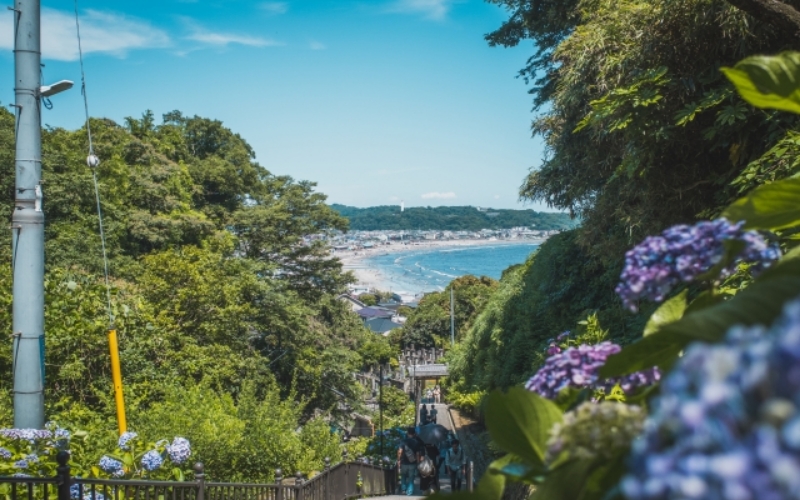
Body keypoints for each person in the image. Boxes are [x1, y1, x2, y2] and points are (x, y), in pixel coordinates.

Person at [397, 427, 423, 496]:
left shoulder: (403, 441)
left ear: (407, 433)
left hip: (403, 462)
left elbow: (400, 451)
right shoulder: (416, 442)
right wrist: (418, 463)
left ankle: (403, 490)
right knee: (411, 478)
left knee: (403, 476)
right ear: (414, 434)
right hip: (413, 463)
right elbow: (417, 454)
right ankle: (409, 492)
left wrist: (399, 460)